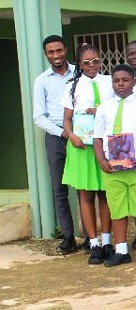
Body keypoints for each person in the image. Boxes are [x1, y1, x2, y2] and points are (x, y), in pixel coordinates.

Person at [93, 64, 136, 266]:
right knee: (117, 208)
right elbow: (97, 137)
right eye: (116, 80)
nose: (120, 84)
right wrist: (101, 160)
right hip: (113, 167)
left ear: (133, 81)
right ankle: (121, 250)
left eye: (125, 80)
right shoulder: (104, 108)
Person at [61, 44, 114, 264]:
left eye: (95, 61)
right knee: (85, 194)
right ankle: (93, 243)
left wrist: (100, 110)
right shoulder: (73, 86)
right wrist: (71, 136)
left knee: (105, 193)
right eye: (86, 62)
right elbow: (66, 119)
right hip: (82, 146)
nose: (91, 66)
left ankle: (108, 240)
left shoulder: (109, 82)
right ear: (79, 64)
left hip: (104, 144)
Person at [33, 35, 77, 254]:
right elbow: (39, 117)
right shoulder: (42, 80)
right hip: (57, 137)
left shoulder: (79, 73)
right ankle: (68, 237)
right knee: (59, 190)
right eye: (51, 52)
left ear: (66, 50)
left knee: (84, 187)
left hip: (81, 135)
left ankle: (91, 238)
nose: (56, 55)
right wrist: (63, 133)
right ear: (46, 54)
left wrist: (75, 134)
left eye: (59, 50)